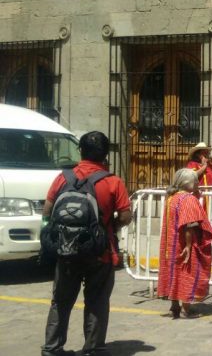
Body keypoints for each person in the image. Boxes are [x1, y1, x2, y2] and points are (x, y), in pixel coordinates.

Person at [41, 131, 132, 356]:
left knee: (61, 300)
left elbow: (47, 210)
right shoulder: (112, 181)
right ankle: (93, 349)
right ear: (105, 154)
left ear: (80, 150)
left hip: (66, 249)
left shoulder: (63, 177)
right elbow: (126, 216)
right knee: (97, 300)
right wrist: (110, 227)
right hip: (99, 251)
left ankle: (52, 348)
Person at [157, 168, 212, 318]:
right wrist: (189, 246)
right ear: (187, 183)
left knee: (174, 273)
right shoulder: (188, 199)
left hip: (170, 243)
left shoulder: (171, 197)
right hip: (184, 243)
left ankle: (174, 306)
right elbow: (189, 225)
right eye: (196, 181)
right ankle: (185, 309)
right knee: (187, 273)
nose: (198, 184)